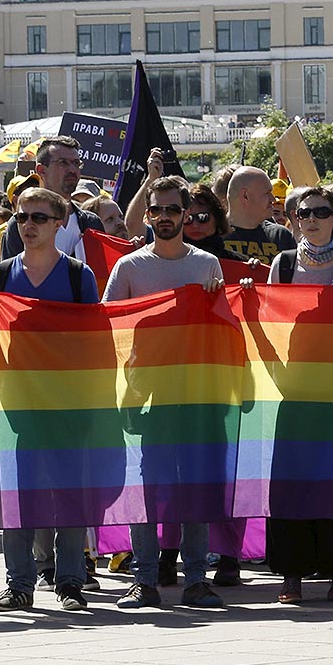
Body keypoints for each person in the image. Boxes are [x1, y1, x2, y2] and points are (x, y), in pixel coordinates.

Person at [103, 176, 227, 610]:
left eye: (173, 210)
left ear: (186, 212)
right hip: (146, 393)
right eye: (156, 210)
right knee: (147, 489)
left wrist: (231, 299)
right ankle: (145, 579)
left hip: (196, 392)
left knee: (193, 485)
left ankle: (196, 579)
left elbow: (224, 327)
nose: (164, 217)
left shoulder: (207, 263)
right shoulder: (130, 267)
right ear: (148, 213)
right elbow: (108, 325)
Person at [247, 186, 333, 603]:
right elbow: (270, 319)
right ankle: (292, 574)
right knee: (292, 481)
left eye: (321, 212)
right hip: (295, 387)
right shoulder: (282, 264)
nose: (311, 219)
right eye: (303, 214)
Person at [0, 187, 100, 613]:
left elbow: (94, 343)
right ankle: (18, 584)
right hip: (17, 407)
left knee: (70, 496)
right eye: (21, 217)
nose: (27, 225)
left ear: (59, 223)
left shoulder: (78, 276)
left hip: (69, 407)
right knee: (18, 499)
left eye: (37, 218)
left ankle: (70, 582)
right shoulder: (0, 276)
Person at [2, 136, 105, 259]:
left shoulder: (91, 223)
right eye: (63, 163)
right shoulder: (22, 222)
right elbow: (11, 275)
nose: (72, 169)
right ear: (41, 170)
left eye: (76, 163)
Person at [222, 166, 298, 265]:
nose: (273, 200)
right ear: (245, 195)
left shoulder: (281, 236)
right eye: (267, 193)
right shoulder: (213, 235)